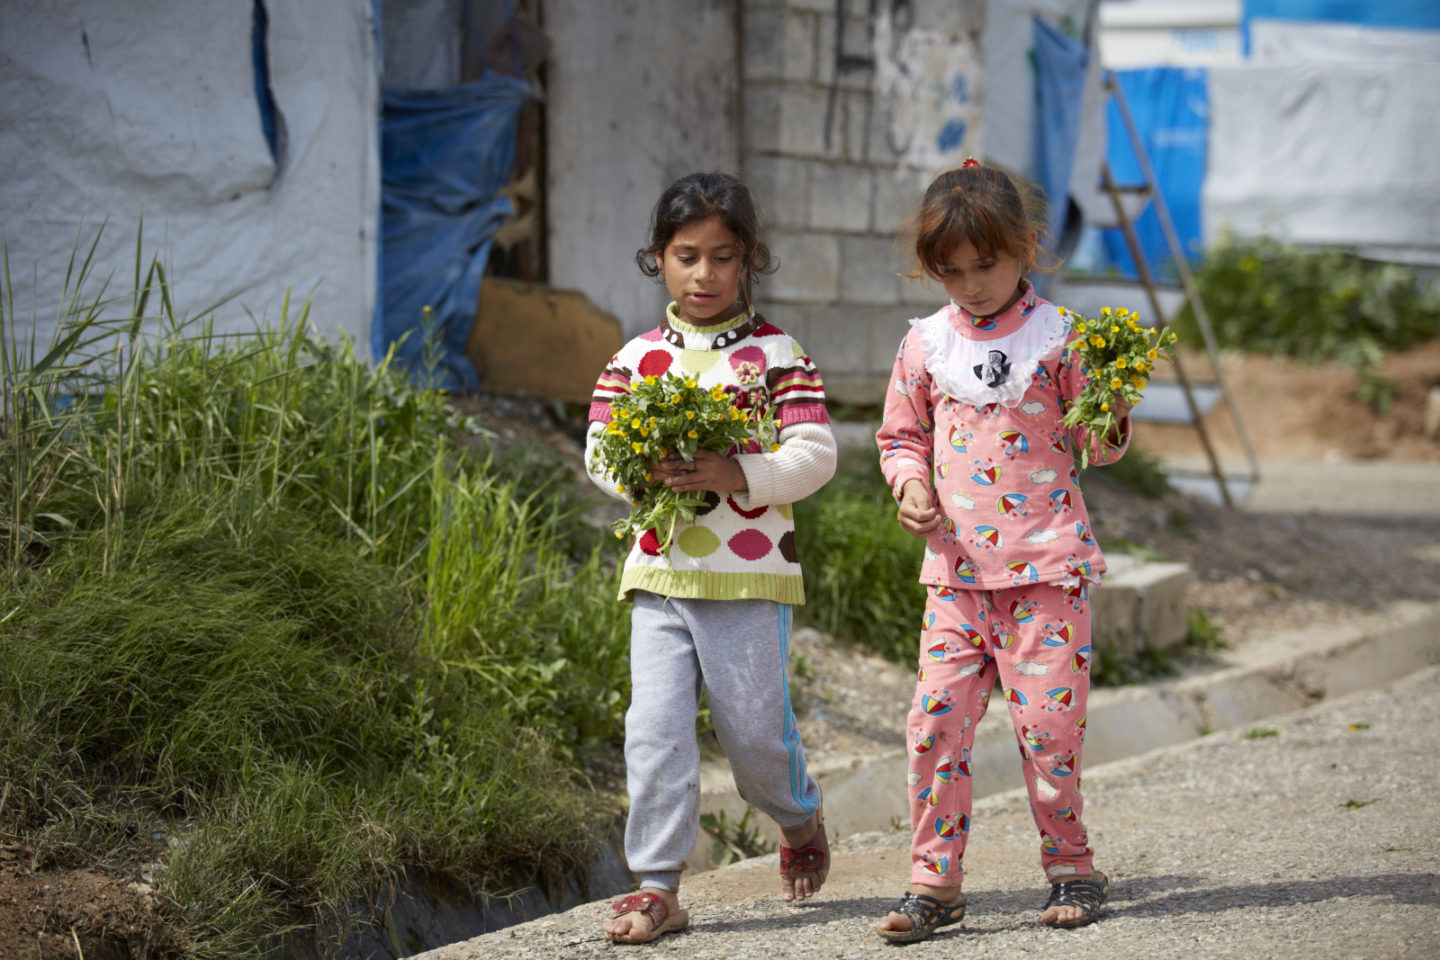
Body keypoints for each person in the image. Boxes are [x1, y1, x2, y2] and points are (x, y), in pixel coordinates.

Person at [872, 159, 1131, 943]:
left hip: (1048, 576)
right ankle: (935, 883)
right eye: (952, 272)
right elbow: (900, 435)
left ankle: (1071, 868)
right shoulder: (924, 345)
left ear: (1025, 247)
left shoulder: (1062, 338)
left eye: (985, 266)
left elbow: (1097, 444)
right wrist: (909, 484)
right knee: (934, 725)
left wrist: (1112, 406)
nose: (971, 285)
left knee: (1049, 730)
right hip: (954, 579)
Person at [585, 172, 837, 945]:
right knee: (654, 730)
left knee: (755, 735)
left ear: (748, 260)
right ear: (657, 258)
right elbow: (598, 448)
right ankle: (657, 885)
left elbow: (816, 453)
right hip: (660, 572)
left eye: (722, 257)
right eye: (686, 255)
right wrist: (635, 468)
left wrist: (740, 475)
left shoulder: (776, 355)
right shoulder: (636, 358)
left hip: (750, 575)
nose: (704, 275)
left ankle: (796, 817)